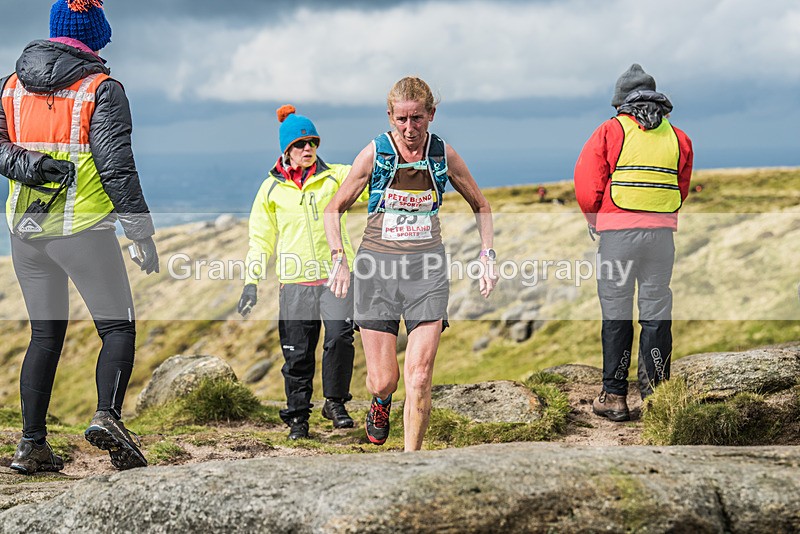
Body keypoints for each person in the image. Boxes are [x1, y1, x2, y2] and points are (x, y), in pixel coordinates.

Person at [0, 0, 158, 473]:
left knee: (44, 335)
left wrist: (33, 167)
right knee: (117, 328)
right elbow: (117, 169)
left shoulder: (10, 85)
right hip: (82, 231)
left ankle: (32, 447)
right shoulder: (102, 89)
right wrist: (140, 233)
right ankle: (108, 418)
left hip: (25, 233)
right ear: (94, 35)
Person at [324, 76, 496, 451]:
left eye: (416, 118)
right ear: (389, 117)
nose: (409, 128)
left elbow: (481, 205)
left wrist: (487, 255)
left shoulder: (443, 155)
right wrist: (339, 258)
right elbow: (333, 209)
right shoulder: (375, 154)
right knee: (384, 380)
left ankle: (410, 463)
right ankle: (381, 402)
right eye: (400, 119)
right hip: (377, 273)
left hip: (427, 273)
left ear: (431, 114)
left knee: (419, 377)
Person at [574, 63, 693, 421]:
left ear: (620, 103)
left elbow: (587, 185)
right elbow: (681, 187)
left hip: (618, 236)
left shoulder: (610, 131)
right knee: (657, 311)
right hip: (661, 238)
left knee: (616, 313)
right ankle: (657, 398)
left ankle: (614, 396)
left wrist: (597, 219)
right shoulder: (679, 137)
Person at [238, 105, 365, 440]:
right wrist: (251, 281)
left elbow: (370, 182)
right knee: (297, 353)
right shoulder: (270, 190)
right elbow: (260, 238)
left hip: (335, 276)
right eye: (301, 144)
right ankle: (298, 418)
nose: (308, 148)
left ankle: (335, 404)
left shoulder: (337, 176)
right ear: (286, 150)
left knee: (339, 339)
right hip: (294, 283)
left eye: (313, 142)